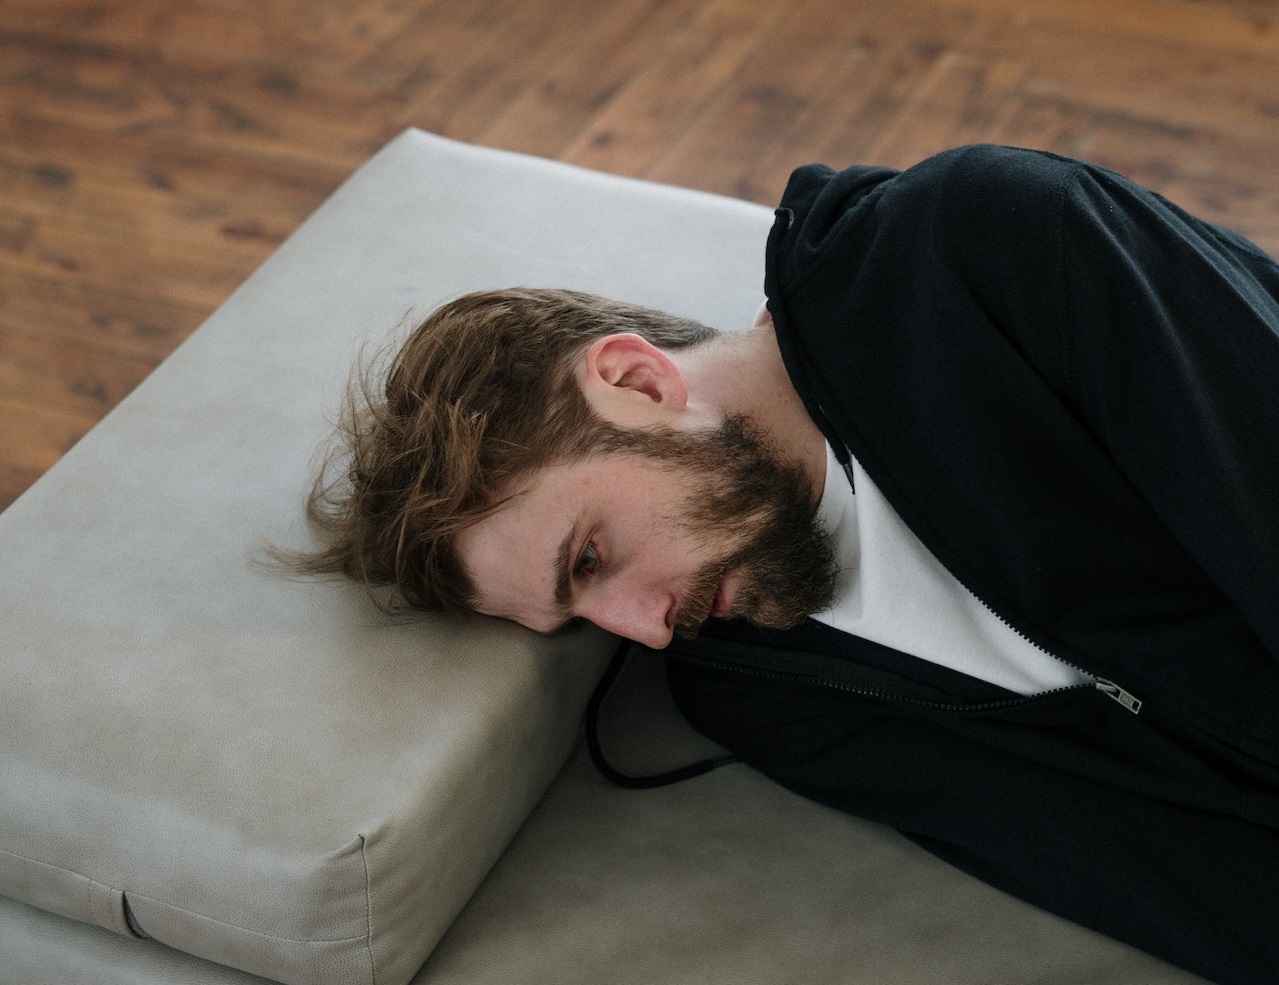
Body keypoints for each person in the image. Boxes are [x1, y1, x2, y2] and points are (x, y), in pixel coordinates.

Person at [293, 144, 1279, 985]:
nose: (643, 627)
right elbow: (1148, 874)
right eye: (583, 616)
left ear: (636, 380)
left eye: (591, 557)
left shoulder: (982, 250)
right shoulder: (758, 692)